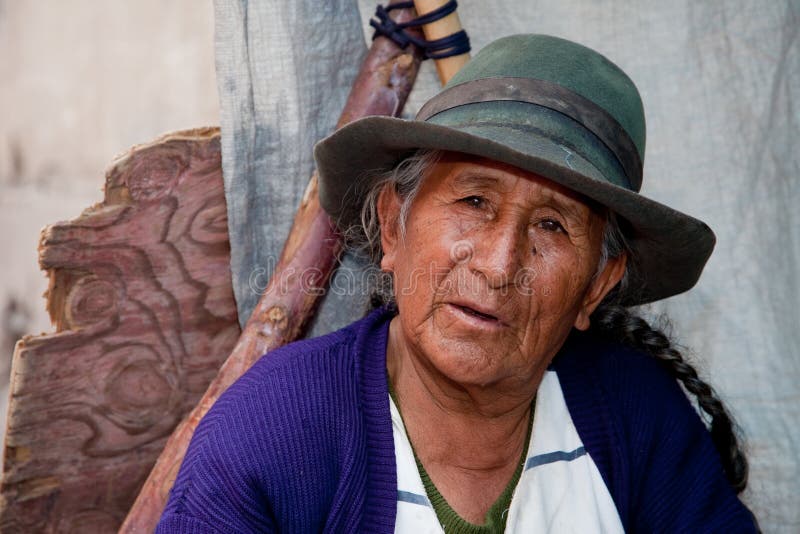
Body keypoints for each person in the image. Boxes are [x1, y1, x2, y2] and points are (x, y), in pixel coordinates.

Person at [156, 34, 757, 532]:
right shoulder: (276, 430)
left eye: (551, 225)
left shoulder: (635, 415)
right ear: (394, 226)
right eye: (474, 200)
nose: (498, 266)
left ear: (597, 285)